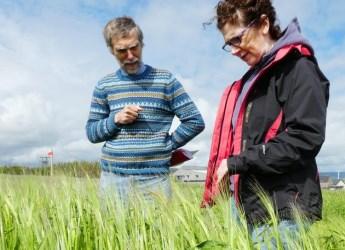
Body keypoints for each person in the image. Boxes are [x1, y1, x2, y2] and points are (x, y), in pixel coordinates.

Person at [202, 0, 329, 248]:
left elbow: (305, 137)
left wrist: (236, 162)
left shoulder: (297, 68)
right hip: (250, 208)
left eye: (237, 39)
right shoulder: (250, 81)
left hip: (284, 212)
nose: (235, 50)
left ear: (263, 24)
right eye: (229, 44)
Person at [86, 16, 205, 204]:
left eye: (134, 47)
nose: (131, 55)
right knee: (113, 233)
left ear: (142, 44)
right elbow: (92, 133)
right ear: (111, 50)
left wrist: (166, 145)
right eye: (122, 51)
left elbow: (195, 121)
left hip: (154, 181)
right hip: (112, 180)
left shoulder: (165, 80)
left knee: (157, 234)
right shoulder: (104, 86)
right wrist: (115, 119)